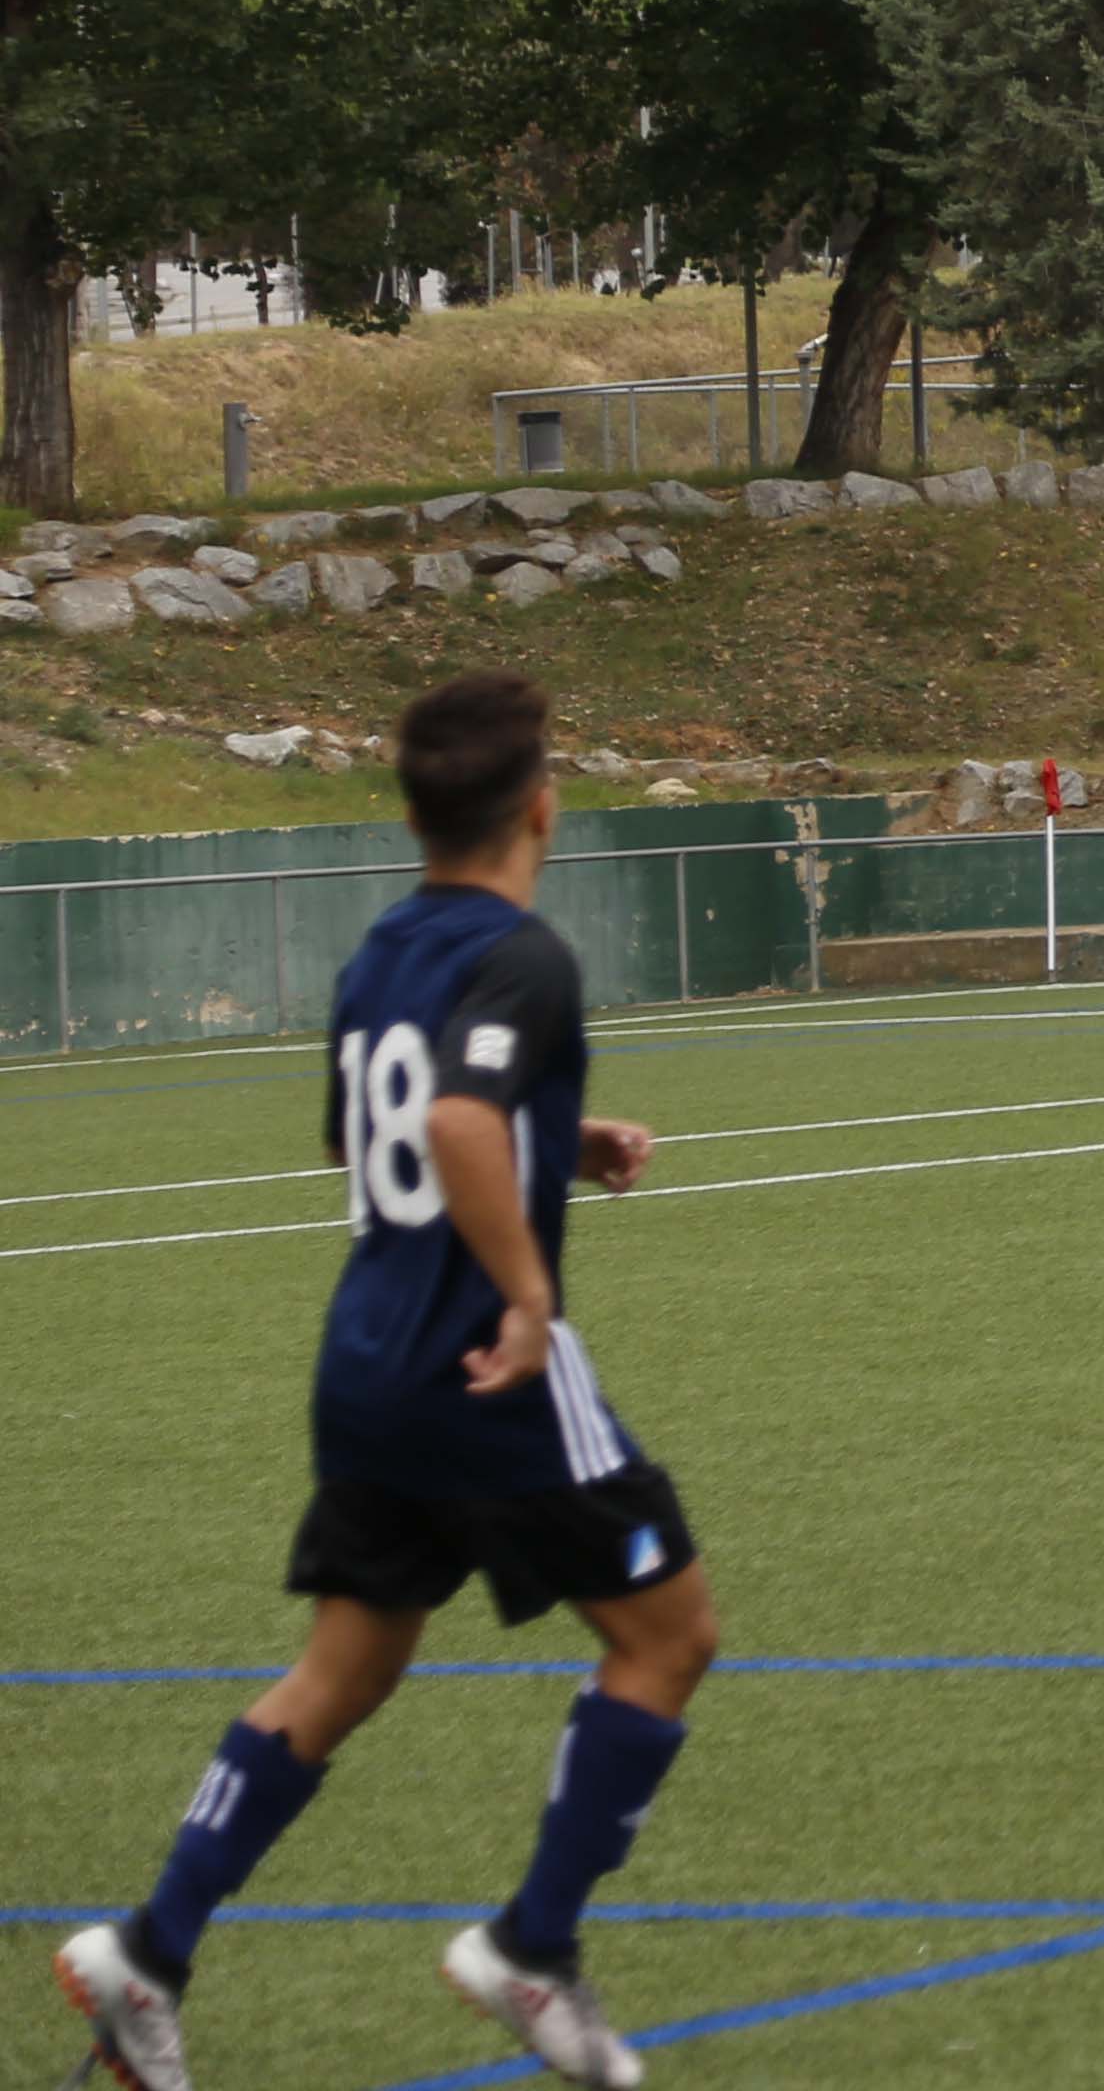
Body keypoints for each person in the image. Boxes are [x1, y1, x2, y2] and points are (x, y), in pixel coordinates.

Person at [57, 674, 719, 2091]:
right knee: (668, 1636)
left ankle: (147, 1954)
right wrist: (533, 1296)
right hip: (485, 1371)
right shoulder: (526, 956)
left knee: (347, 1666)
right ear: (542, 808)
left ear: (412, 818)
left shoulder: (378, 955)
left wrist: (560, 1131)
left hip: (364, 1369)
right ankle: (532, 1951)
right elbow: (457, 1119)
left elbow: (377, 1135)